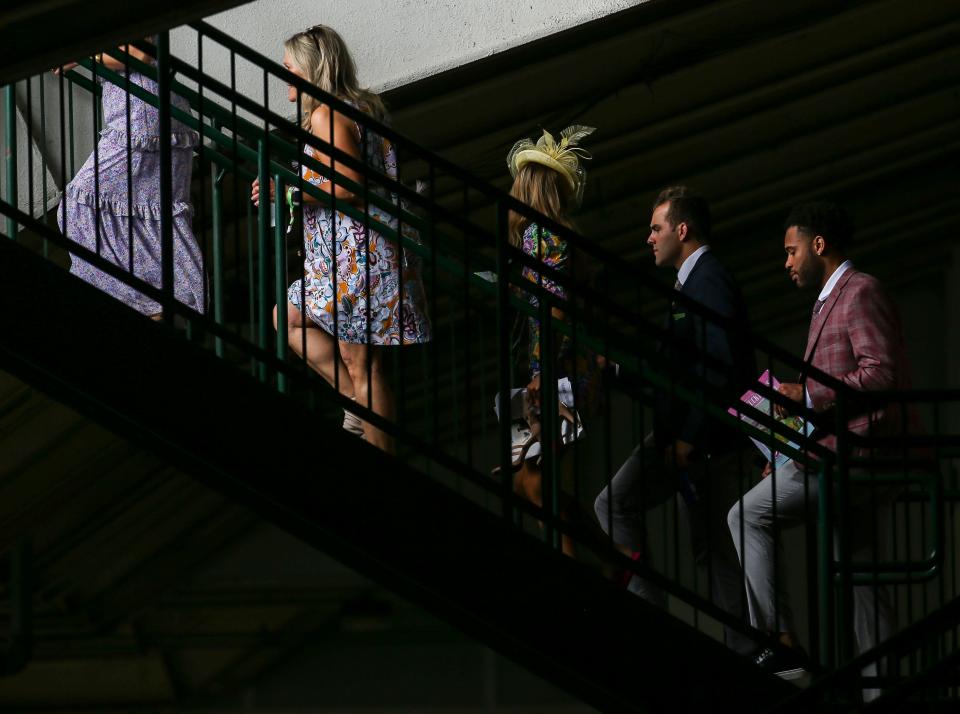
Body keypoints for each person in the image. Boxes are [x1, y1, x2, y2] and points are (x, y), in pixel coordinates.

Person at [727, 202, 906, 692]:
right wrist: (785, 447)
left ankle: (783, 642)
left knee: (745, 515)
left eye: (791, 250)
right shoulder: (825, 301)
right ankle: (880, 694)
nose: (785, 262)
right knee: (865, 585)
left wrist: (806, 394)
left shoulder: (860, 291)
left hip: (852, 457)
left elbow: (881, 373)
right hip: (828, 454)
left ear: (818, 245)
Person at [594, 186, 755, 655]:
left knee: (715, 546)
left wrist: (690, 436)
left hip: (703, 442)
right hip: (685, 438)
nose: (649, 238)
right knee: (623, 506)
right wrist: (618, 370)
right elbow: (677, 366)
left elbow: (720, 366)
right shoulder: (690, 282)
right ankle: (731, 641)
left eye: (656, 228)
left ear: (681, 230)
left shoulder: (708, 280)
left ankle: (742, 648)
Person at [255, 25, 431, 452]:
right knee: (296, 322)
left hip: (355, 255)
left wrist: (290, 190)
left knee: (361, 363)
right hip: (368, 250)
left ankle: (379, 452)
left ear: (312, 70)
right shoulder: (363, 107)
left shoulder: (326, 113)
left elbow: (349, 183)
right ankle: (357, 404)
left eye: (290, 68)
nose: (286, 77)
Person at [501, 125, 599, 557]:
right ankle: (599, 552)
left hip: (558, 370)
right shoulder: (542, 236)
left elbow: (555, 309)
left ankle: (583, 559)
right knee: (528, 481)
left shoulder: (544, 235)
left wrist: (544, 373)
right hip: (556, 366)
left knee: (536, 482)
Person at [55, 39, 205, 318]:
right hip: (149, 111)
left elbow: (140, 53)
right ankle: (161, 300)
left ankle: (150, 301)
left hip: (142, 116)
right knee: (151, 213)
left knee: (79, 205)